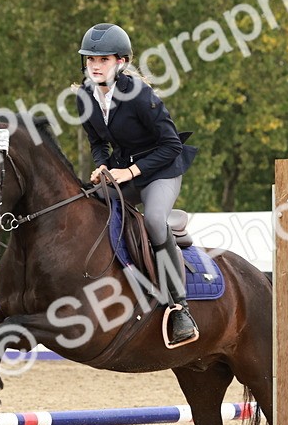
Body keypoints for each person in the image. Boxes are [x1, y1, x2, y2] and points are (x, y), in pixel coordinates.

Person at [74, 22, 200, 348]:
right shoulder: (84, 96)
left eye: (103, 60)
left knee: (156, 220)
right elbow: (97, 141)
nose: (95, 66)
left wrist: (130, 173)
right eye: (91, 60)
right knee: (85, 202)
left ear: (122, 63)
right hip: (122, 169)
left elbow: (171, 145)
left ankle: (179, 307)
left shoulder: (141, 95)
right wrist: (101, 163)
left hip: (161, 169)